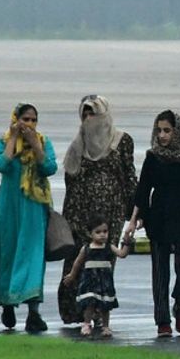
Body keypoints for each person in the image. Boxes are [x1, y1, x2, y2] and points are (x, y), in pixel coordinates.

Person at [124, 110, 180, 337]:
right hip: (158, 217)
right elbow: (143, 191)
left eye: (167, 130)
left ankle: (179, 304)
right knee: (160, 272)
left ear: (177, 131)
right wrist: (133, 221)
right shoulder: (153, 156)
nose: (162, 135)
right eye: (159, 130)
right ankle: (162, 320)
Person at [61, 94, 137, 326]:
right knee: (78, 259)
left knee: (102, 261)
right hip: (80, 212)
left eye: (93, 113)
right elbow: (70, 179)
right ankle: (76, 311)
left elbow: (129, 176)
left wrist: (134, 212)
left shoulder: (121, 140)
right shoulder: (78, 145)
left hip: (111, 213)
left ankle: (98, 311)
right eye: (84, 114)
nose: (88, 119)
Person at [0, 103, 58, 333]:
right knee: (8, 254)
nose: (29, 124)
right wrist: (13, 139)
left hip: (34, 207)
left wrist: (35, 146)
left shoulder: (43, 142)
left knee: (32, 256)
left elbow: (50, 167)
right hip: (9, 207)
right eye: (25, 119)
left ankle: (33, 312)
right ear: (15, 119)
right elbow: (1, 164)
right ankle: (8, 302)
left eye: (33, 120)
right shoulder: (3, 142)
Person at [63, 215, 127, 338]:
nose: (102, 235)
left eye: (105, 231)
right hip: (90, 280)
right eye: (98, 232)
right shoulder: (86, 248)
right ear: (90, 233)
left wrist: (127, 243)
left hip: (105, 280)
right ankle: (87, 323)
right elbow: (77, 263)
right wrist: (72, 275)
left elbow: (122, 254)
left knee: (105, 305)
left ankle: (106, 326)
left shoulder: (109, 247)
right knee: (89, 302)